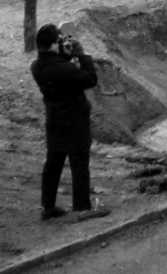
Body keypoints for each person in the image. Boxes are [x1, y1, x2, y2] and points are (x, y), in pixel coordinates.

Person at [29, 23, 110, 221]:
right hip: (75, 119)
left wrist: (65, 55)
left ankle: (48, 207)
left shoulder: (36, 67)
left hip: (54, 119)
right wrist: (81, 55)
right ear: (53, 45)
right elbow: (90, 79)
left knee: (53, 162)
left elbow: (56, 68)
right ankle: (82, 208)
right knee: (79, 161)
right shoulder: (67, 69)